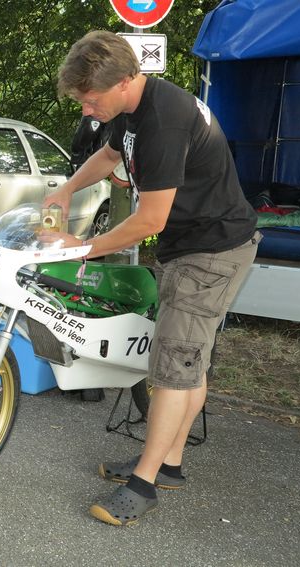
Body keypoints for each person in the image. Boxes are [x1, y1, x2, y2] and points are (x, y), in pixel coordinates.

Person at [46, 30, 260, 526]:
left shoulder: (165, 120)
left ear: (125, 81)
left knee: (171, 371)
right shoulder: (128, 111)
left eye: (91, 100)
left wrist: (81, 248)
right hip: (194, 245)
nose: (86, 110)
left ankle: (143, 485)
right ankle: (169, 464)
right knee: (189, 361)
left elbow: (149, 221)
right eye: (81, 101)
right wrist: (66, 190)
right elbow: (110, 155)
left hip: (212, 251)